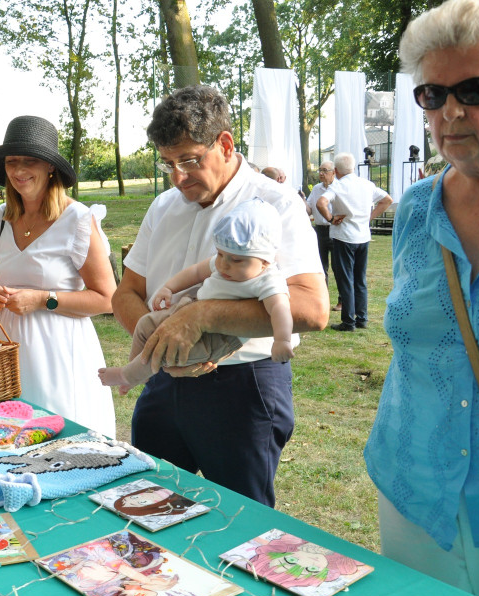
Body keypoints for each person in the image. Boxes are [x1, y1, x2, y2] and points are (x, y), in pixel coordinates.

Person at [364, 0, 479, 596]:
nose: (452, 111)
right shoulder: (415, 208)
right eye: (433, 94)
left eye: (477, 88)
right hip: (413, 485)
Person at [112, 85, 329, 507]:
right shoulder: (162, 207)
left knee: (240, 525)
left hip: (242, 389)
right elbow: (127, 293)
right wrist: (161, 344)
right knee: (147, 508)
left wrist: (201, 316)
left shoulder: (276, 204)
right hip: (161, 382)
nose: (177, 177)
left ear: (225, 144)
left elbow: (312, 307)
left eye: (189, 160)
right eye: (168, 164)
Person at [0, 116, 117, 438]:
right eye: (12, 162)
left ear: (50, 167)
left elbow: (107, 298)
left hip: (60, 356)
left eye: (30, 161)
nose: (19, 170)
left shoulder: (77, 220)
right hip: (8, 353)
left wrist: (42, 299)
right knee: (9, 441)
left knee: (61, 445)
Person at [99, 198, 293, 394]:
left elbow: (280, 308)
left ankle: (128, 375)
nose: (223, 264)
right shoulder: (224, 262)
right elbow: (195, 273)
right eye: (219, 254)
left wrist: (282, 340)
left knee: (165, 351)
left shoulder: (268, 280)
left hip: (218, 337)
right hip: (187, 308)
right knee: (144, 325)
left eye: (236, 260)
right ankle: (138, 368)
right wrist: (168, 288)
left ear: (265, 262)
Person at [315, 152, 393, 331]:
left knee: (345, 279)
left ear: (335, 170)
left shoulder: (338, 186)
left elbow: (321, 203)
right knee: (360, 279)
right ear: (353, 167)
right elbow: (387, 200)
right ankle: (362, 318)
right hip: (363, 236)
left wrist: (330, 218)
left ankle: (348, 321)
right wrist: (369, 218)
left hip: (344, 237)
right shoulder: (366, 184)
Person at [306, 161, 337, 300]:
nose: (321, 173)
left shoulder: (338, 187)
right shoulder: (316, 189)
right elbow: (309, 210)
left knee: (338, 267)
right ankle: (323, 297)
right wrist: (301, 200)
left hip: (335, 230)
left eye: (325, 170)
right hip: (319, 230)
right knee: (320, 266)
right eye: (320, 170)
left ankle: (342, 300)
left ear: (333, 172)